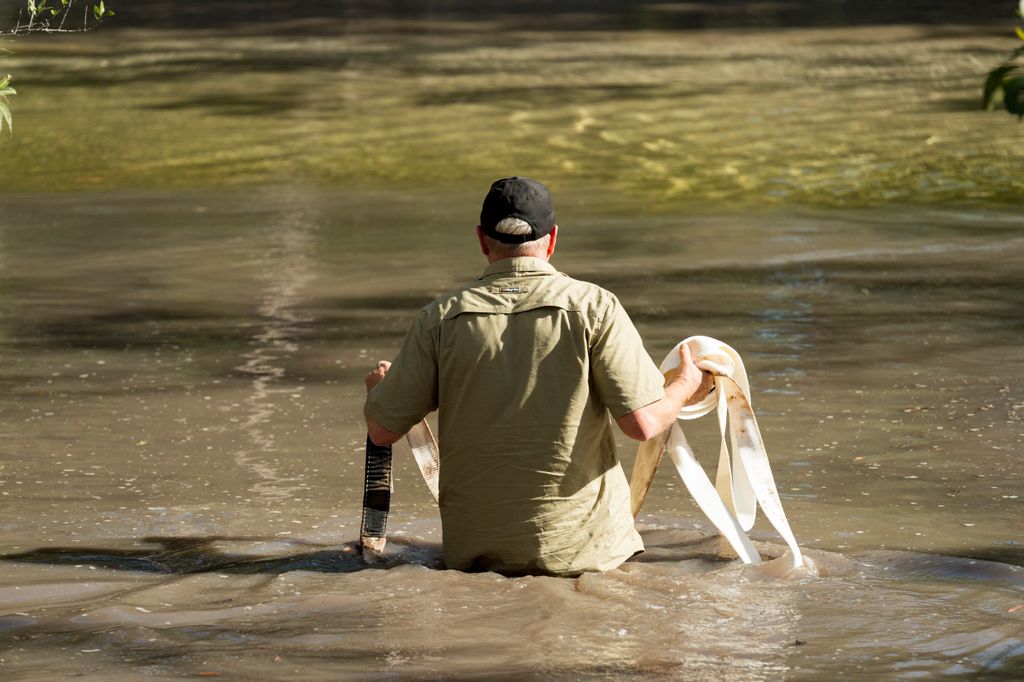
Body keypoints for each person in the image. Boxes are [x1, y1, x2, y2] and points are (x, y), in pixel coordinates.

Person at [363, 176, 713, 577]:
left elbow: (383, 431)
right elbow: (644, 423)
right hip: (586, 557)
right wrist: (684, 385)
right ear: (552, 240)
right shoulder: (595, 307)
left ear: (481, 240)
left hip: (475, 560)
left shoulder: (439, 318)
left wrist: (380, 393)